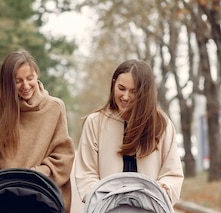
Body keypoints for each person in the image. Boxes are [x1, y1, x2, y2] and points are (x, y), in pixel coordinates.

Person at [0, 50, 75, 213]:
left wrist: (36, 175)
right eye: (18, 81)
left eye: (30, 78)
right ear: (8, 83)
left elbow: (63, 154)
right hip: (1, 195)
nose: (25, 86)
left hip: (41, 193)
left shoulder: (54, 107)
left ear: (37, 74)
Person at [74, 59, 183, 205]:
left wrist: (157, 194)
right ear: (113, 84)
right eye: (121, 88)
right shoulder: (95, 122)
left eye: (133, 92)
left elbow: (172, 173)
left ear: (145, 93)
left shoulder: (162, 124)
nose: (125, 96)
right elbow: (86, 173)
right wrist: (104, 200)